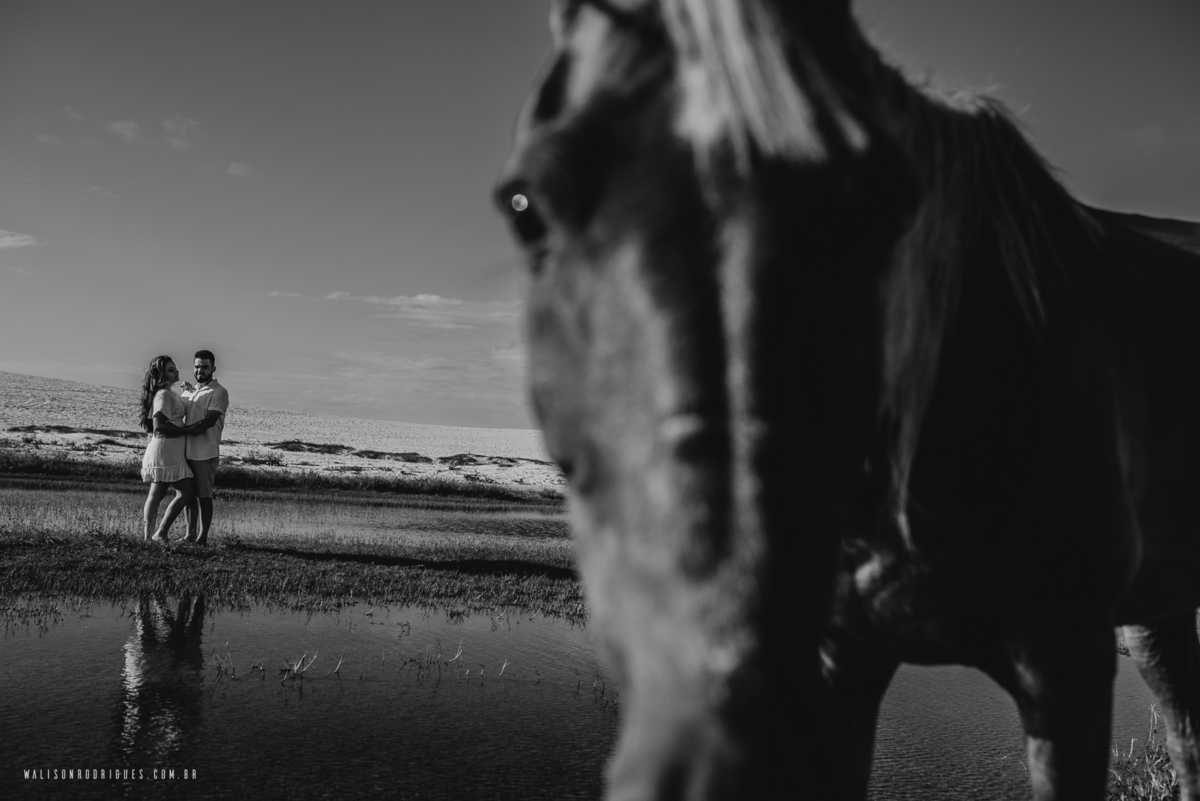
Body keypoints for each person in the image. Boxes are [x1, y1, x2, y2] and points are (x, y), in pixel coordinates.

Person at [139, 356, 197, 543]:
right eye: (171, 370)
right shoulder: (163, 394)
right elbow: (159, 426)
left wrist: (189, 391)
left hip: (169, 448)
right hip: (166, 450)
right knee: (187, 492)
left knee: (157, 494)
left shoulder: (168, 393)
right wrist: (187, 430)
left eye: (175, 368)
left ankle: (149, 537)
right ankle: (158, 534)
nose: (176, 371)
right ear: (162, 375)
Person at [181, 349, 229, 546]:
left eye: (204, 367)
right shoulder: (189, 391)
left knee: (204, 495)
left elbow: (209, 421)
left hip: (205, 452)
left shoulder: (219, 392)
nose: (200, 370)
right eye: (197, 366)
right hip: (185, 451)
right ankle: (189, 534)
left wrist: (180, 431)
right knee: (187, 495)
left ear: (213, 368)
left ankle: (203, 537)